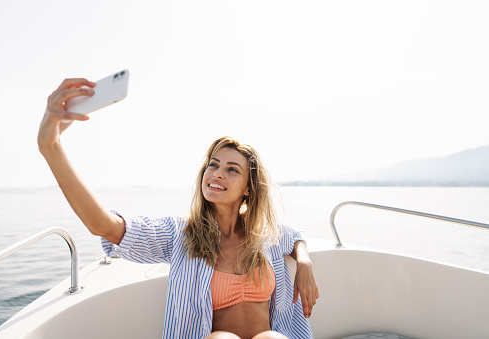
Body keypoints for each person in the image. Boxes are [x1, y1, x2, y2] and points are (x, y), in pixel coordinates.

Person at [38, 78, 320, 339]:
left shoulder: (264, 237)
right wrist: (51, 146)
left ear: (249, 188)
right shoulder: (181, 235)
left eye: (232, 169)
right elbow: (105, 226)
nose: (217, 173)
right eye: (213, 164)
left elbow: (293, 236)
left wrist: (304, 262)